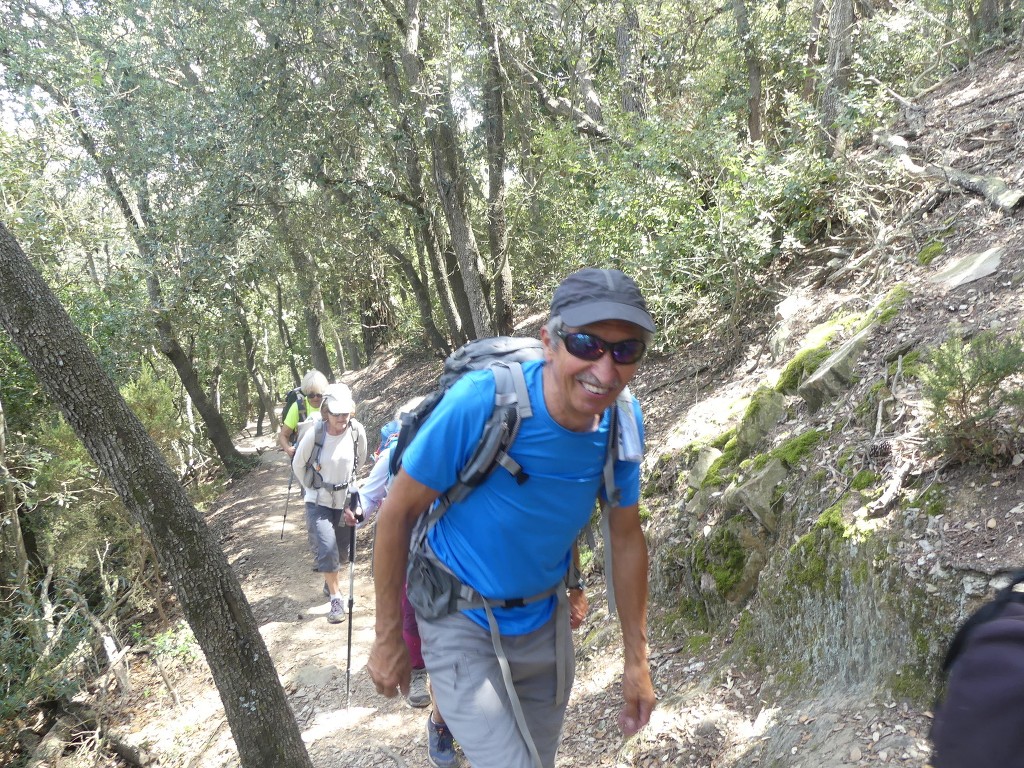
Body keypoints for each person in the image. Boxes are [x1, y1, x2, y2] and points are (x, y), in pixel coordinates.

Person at [367, 268, 658, 768]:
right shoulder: (484, 403)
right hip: (459, 615)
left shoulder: (622, 422)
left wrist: (637, 658)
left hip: (543, 623)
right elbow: (396, 513)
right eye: (587, 344)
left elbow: (626, 539)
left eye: (625, 350)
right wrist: (387, 634)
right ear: (550, 341)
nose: (606, 370)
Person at [292, 382, 368, 624]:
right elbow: (298, 465)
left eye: (346, 413)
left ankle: (330, 581)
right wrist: (312, 488)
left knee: (342, 553)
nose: (342, 418)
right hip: (318, 501)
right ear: (326, 411)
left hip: (345, 500)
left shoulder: (357, 431)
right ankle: (336, 597)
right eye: (337, 414)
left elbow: (361, 460)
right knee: (327, 548)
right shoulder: (316, 434)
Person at [278, 369, 329, 457]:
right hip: (304, 457)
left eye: (319, 394)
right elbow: (283, 435)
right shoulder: (298, 407)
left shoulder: (330, 405)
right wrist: (288, 449)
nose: (315, 398)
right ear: (306, 392)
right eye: (311, 395)